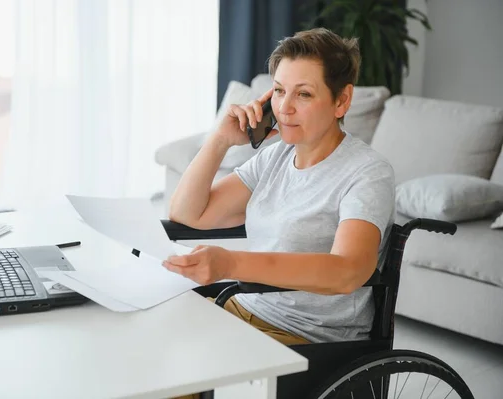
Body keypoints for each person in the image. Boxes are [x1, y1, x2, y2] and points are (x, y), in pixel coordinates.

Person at [164, 27, 395, 352]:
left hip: (304, 338)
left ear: (341, 100)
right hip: (242, 309)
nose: (284, 108)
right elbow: (187, 213)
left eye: (303, 94)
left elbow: (347, 271)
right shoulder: (275, 157)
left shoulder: (367, 173)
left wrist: (230, 263)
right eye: (278, 90)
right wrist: (220, 140)